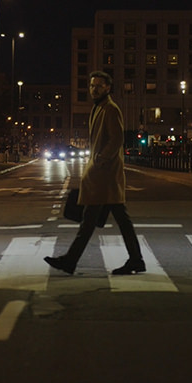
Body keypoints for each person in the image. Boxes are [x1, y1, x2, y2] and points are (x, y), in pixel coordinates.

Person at [44, 71, 145, 275]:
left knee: (90, 220)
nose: (94, 89)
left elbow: (116, 139)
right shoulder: (99, 107)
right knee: (108, 220)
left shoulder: (110, 109)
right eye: (92, 86)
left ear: (108, 87)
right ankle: (135, 259)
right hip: (102, 175)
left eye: (99, 85)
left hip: (105, 174)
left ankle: (71, 261)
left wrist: (100, 159)